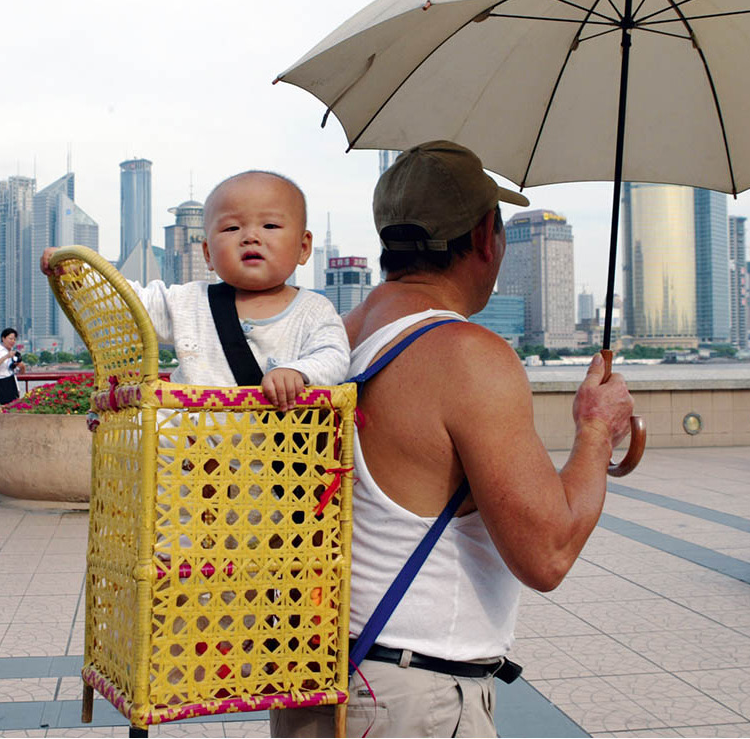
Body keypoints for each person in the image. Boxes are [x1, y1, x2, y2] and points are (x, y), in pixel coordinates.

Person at [269, 141, 634, 738]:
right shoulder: (468, 356)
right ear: (488, 238)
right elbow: (548, 555)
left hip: (320, 681)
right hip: (411, 700)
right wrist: (596, 428)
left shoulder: (329, 340)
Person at [40, 170, 349, 407]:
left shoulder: (314, 309)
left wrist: (299, 372)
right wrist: (82, 276)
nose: (251, 237)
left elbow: (333, 354)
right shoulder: (188, 301)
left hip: (276, 464)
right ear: (207, 254)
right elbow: (130, 301)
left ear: (304, 247)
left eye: (270, 226)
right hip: (192, 458)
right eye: (231, 228)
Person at [0, 328, 25, 406]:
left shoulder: (14, 353)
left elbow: (22, 373)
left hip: (12, 383)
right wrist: (6, 357)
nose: (12, 341)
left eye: (14, 339)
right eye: (10, 339)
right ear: (3, 338)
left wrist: (22, 366)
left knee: (13, 409)